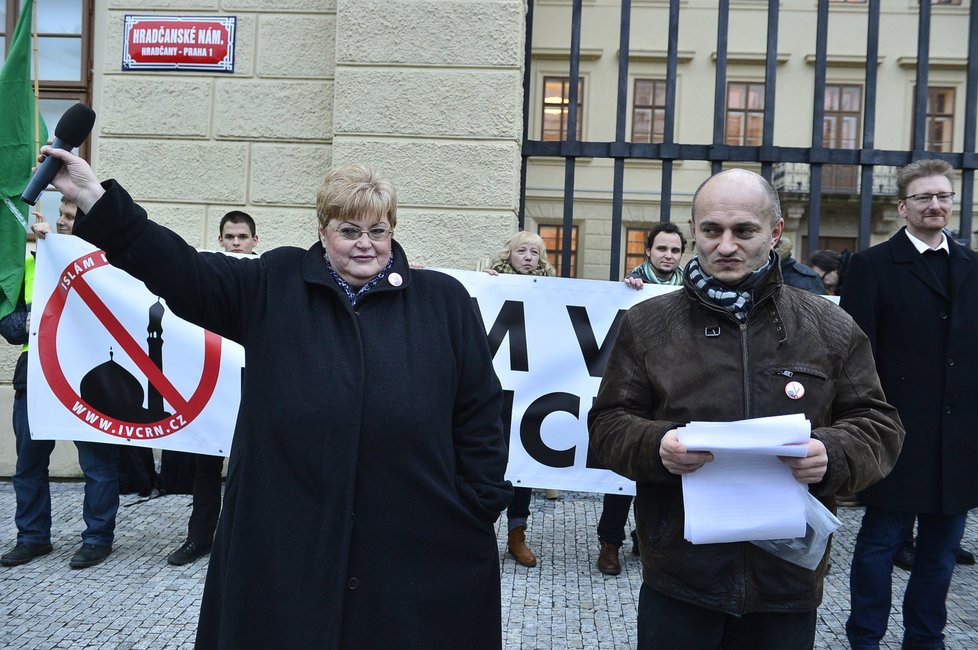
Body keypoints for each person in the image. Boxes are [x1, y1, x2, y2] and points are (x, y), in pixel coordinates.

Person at [42, 147, 512, 649]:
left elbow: (480, 410)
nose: (365, 245)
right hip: (287, 535)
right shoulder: (275, 282)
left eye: (378, 231)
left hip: (412, 536)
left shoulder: (442, 301)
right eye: (349, 231)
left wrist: (478, 503)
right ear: (323, 230)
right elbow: (183, 271)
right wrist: (95, 197)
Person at [588, 168, 904, 649]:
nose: (726, 245)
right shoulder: (648, 324)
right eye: (712, 230)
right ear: (695, 230)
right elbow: (607, 425)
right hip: (681, 575)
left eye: (744, 231)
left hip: (786, 581)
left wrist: (831, 453)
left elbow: (880, 427)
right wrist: (658, 446)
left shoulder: (828, 325)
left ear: (775, 232)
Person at [842, 159, 978, 650]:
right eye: (924, 197)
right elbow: (857, 356)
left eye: (943, 196)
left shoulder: (973, 265)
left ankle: (925, 639)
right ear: (903, 206)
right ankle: (865, 638)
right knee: (879, 545)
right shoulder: (871, 265)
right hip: (894, 435)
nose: (936, 205)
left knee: (941, 555)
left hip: (958, 440)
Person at [0, 199, 120, 570]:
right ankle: (32, 538)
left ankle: (98, 539)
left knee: (97, 464)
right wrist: (31, 321)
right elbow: (8, 324)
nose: (64, 222)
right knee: (29, 463)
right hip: (34, 375)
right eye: (62, 215)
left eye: (71, 217)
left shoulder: (107, 266)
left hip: (88, 377)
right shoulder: (31, 264)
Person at [165, 210, 258, 567]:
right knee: (206, 465)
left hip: (252, 384)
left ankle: (245, 541)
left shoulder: (267, 279)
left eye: (242, 237)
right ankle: (200, 538)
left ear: (254, 240)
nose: (236, 243)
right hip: (212, 386)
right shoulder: (207, 275)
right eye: (230, 237)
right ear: (220, 239)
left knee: (249, 466)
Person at [597, 222, 688, 577]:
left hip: (673, 392)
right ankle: (609, 542)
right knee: (624, 471)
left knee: (662, 469)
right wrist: (626, 290)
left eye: (675, 250)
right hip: (636, 389)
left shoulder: (692, 288)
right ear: (648, 251)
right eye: (662, 249)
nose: (668, 256)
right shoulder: (630, 286)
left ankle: (647, 538)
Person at [483, 230, 556, 568]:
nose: (528, 256)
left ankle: (517, 534)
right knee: (489, 459)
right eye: (521, 250)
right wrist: (484, 285)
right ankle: (483, 530)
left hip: (532, 392)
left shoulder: (554, 291)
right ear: (508, 254)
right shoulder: (492, 285)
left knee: (523, 463)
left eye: (534, 252)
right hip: (495, 390)